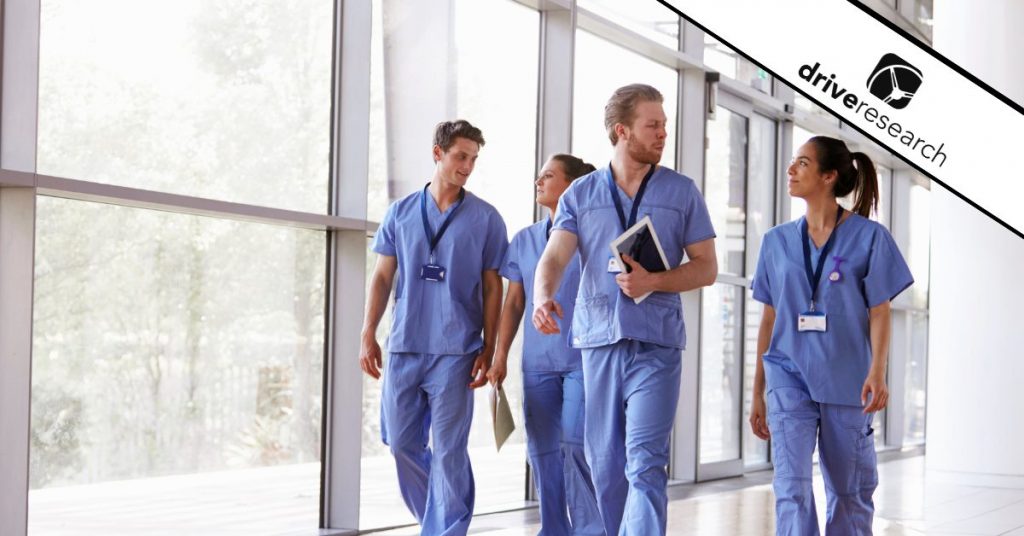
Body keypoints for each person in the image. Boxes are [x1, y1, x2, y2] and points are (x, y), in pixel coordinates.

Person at [532, 84, 718, 535]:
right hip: (599, 343)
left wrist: (654, 280)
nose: (662, 134)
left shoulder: (681, 192)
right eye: (652, 125)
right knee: (605, 465)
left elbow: (707, 268)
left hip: (656, 344)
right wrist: (543, 294)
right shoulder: (580, 194)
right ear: (622, 131)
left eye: (664, 125)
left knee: (646, 461)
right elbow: (555, 256)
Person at [748, 136, 914, 535]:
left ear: (828, 176)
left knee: (849, 489)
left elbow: (880, 310)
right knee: (791, 487)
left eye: (802, 164)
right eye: (792, 162)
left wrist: (877, 370)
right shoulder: (775, 242)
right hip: (788, 375)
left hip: (848, 378)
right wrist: (758, 390)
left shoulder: (870, 238)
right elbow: (770, 318)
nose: (791, 170)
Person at [359, 119, 508, 536]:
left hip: (457, 350)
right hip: (405, 344)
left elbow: (492, 288)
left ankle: (447, 529)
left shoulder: (486, 218)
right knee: (402, 444)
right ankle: (435, 520)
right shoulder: (401, 212)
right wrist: (367, 332)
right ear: (437, 153)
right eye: (461, 156)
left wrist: (491, 347)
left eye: (474, 159)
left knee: (449, 450)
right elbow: (382, 277)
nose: (467, 166)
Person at [487, 154, 603, 535]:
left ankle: (590, 530)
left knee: (574, 445)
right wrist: (499, 356)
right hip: (536, 364)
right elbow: (515, 302)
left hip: (581, 360)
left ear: (572, 186)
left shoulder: (591, 238)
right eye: (539, 175)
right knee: (542, 453)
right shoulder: (524, 240)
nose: (539, 181)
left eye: (548, 175)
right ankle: (553, 529)